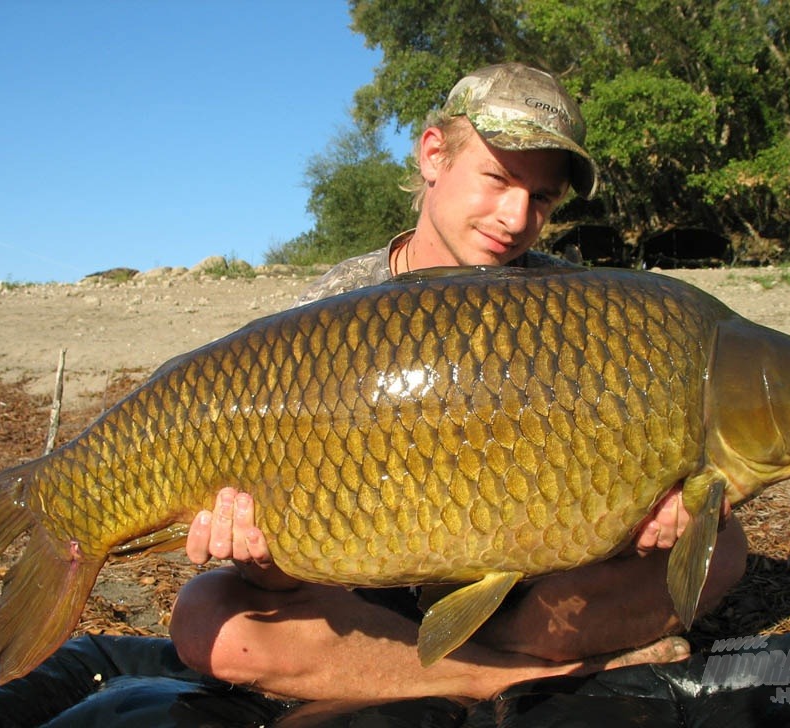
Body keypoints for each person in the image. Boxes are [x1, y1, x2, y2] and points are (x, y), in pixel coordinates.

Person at [169, 63, 748, 702]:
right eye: (497, 178)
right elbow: (282, 584)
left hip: (529, 595)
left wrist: (655, 524)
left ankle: (465, 667)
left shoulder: (577, 306)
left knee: (722, 549)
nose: (515, 214)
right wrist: (260, 556)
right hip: (365, 611)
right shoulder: (329, 312)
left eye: (543, 197)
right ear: (434, 155)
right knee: (209, 621)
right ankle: (512, 677)